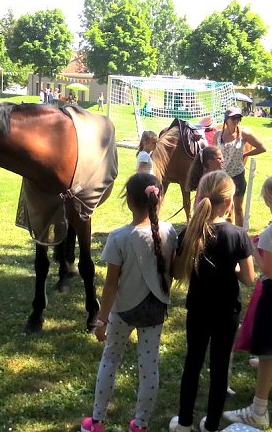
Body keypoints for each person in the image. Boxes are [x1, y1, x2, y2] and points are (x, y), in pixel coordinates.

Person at [80, 173, 177, 432]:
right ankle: (141, 424)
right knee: (149, 366)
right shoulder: (170, 231)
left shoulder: (118, 237)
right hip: (155, 308)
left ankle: (97, 421)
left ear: (128, 200)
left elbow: (111, 285)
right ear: (160, 199)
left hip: (123, 310)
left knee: (110, 358)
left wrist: (101, 319)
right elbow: (173, 270)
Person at [170, 170, 256, 432]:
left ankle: (184, 422)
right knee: (219, 369)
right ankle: (212, 424)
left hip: (198, 308)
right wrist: (230, 268)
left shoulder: (189, 232)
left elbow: (175, 272)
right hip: (227, 311)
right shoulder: (238, 234)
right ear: (229, 202)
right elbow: (249, 278)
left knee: (192, 363)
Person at [224, 176, 272, 429]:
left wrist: (253, 248)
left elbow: (268, 270)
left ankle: (259, 408)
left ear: (267, 198)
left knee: (267, 352)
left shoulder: (271, 232)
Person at [215, 107, 266, 228]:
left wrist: (245, 154)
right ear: (226, 120)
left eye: (239, 118)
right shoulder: (217, 134)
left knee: (237, 210)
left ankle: (240, 235)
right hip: (221, 177)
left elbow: (261, 148)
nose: (237, 120)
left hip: (237, 176)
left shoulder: (244, 134)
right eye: (234, 118)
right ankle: (222, 234)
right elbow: (214, 151)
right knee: (221, 208)